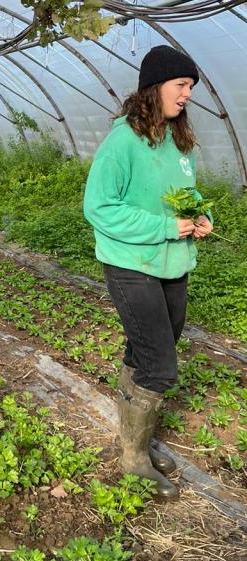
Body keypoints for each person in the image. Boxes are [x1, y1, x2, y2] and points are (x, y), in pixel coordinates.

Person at [83, 45, 213, 500]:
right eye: (181, 85)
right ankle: (134, 458)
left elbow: (186, 194)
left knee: (147, 351)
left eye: (190, 86)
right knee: (159, 365)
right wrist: (165, 227)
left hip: (173, 263)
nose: (187, 94)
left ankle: (134, 437)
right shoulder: (122, 142)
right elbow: (100, 208)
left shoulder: (178, 141)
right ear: (154, 87)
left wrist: (199, 216)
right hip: (131, 264)